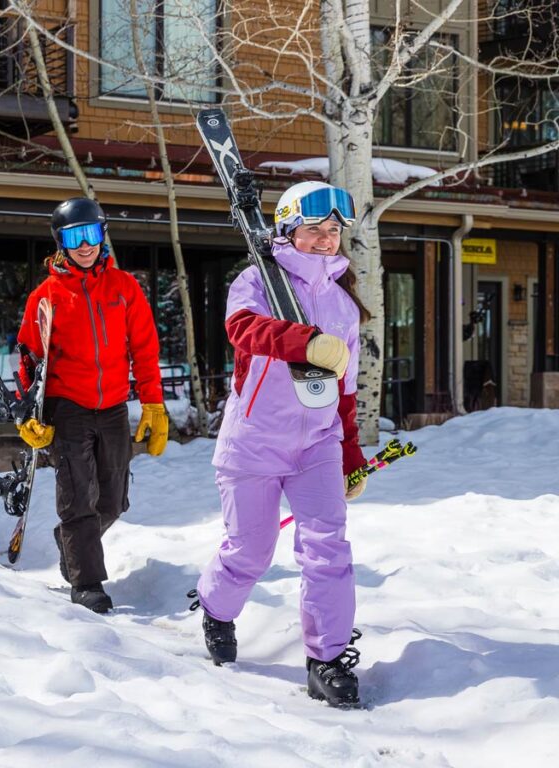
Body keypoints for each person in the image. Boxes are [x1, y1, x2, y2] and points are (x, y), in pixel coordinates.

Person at [195, 181, 372, 707]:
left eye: (334, 231)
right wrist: (306, 342)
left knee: (328, 551)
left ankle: (328, 658)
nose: (325, 241)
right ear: (289, 230)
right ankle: (215, 607)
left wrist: (351, 454)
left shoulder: (344, 305)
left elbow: (345, 389)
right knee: (250, 550)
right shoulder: (256, 280)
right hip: (252, 443)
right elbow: (243, 329)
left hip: (316, 444)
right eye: (314, 230)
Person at [15, 197, 168, 614]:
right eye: (74, 237)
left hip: (114, 406)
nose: (86, 246)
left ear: (103, 236)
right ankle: (87, 581)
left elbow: (144, 347)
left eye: (93, 235)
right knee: (78, 496)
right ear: (61, 243)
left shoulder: (124, 288)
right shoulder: (46, 296)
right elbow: (30, 358)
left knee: (113, 499)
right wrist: (29, 411)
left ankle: (71, 542)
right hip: (69, 408)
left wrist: (153, 403)